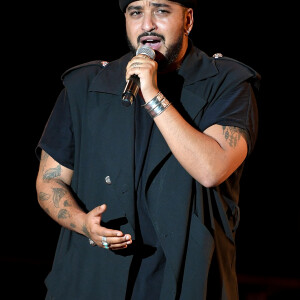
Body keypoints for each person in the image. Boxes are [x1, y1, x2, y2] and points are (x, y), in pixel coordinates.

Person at [35, 0, 261, 299]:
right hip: (92, 278)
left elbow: (212, 169)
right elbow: (49, 180)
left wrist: (152, 94)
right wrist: (83, 224)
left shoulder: (226, 82)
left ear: (188, 20)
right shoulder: (86, 85)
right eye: (136, 12)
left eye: (162, 11)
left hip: (181, 281)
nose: (147, 24)